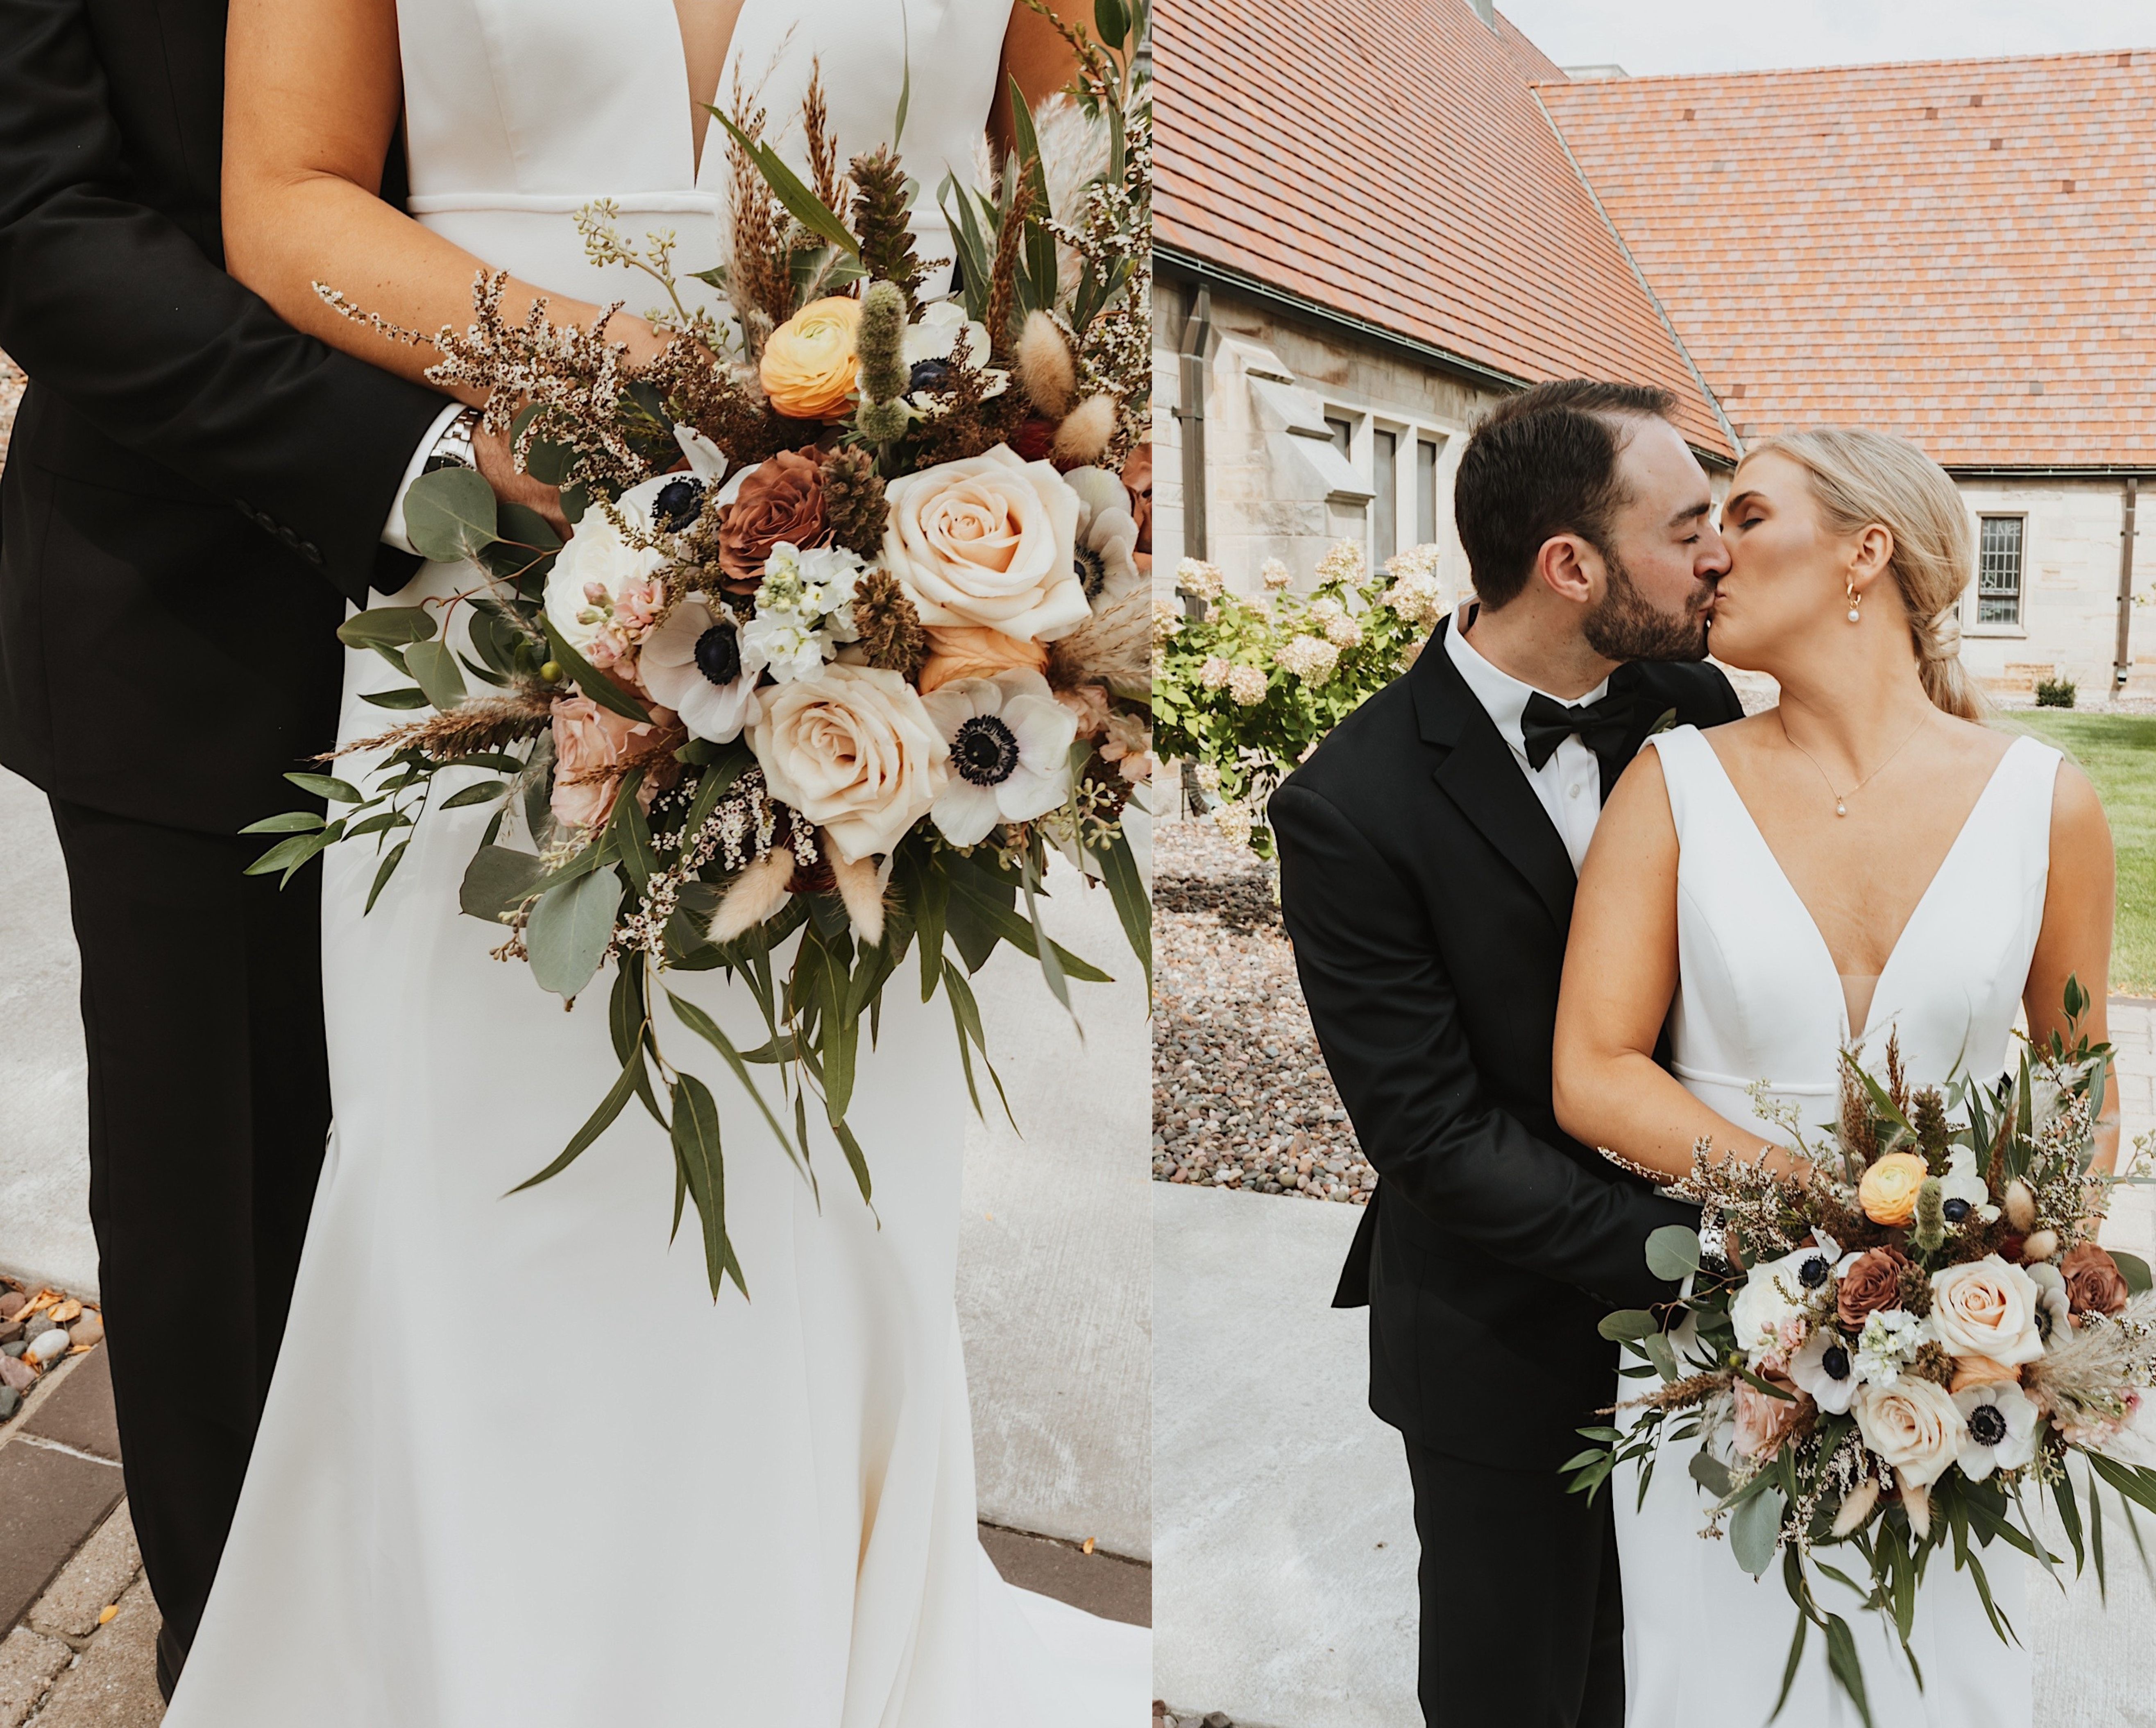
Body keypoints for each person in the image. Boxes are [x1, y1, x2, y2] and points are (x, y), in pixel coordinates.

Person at [146, 2, 1150, 1722]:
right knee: (484, 1195)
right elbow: (286, 195)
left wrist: (1034, 511)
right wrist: (634, 384)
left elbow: (1087, 196)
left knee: (810, 1208)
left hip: (888, 581)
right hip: (507, 542)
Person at [0, 0, 560, 1693]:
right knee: (224, 1204)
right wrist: (426, 465)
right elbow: (39, 217)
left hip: (591, 630)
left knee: (531, 1154)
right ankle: (250, 1652)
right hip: (185, 612)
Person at [1554, 427, 2117, 1727]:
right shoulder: (1671, 784)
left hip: (1964, 1341)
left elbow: (2076, 1068)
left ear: (1866, 551)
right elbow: (1591, 1068)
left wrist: (2042, 1292)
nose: (1709, 552)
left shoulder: (2047, 803)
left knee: (1941, 1681)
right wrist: (1823, 1212)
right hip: (1725, 1335)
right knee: (1717, 1682)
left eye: (1747, 517)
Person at [1270, 379, 1744, 1728]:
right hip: (1502, 1331)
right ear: (1570, 565)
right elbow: (1430, 1135)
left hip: (1744, 1344)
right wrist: (1703, 1256)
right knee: (1525, 1691)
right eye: (1687, 526)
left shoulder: (1689, 698)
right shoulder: (1348, 806)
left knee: (1676, 1667)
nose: (1715, 555)